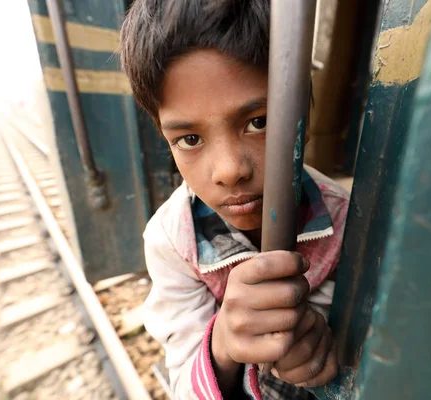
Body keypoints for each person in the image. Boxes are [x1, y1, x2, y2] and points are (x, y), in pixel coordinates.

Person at [120, 1, 350, 398]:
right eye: (189, 139)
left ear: (304, 116)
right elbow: (185, 384)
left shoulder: (346, 218)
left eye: (258, 122)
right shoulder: (173, 241)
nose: (229, 170)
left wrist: (325, 351)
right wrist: (223, 344)